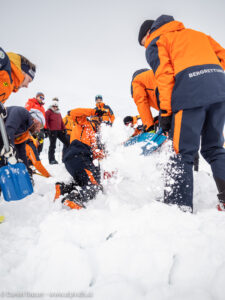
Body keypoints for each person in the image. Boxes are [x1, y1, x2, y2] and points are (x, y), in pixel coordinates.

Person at [138, 15, 225, 212]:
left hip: (190, 94)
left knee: (181, 151)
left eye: (143, 42)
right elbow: (223, 57)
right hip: (219, 92)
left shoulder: (157, 41)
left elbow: (164, 75)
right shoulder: (199, 35)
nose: (145, 46)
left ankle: (179, 206)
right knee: (214, 148)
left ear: (148, 34)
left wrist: (166, 112)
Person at [54, 108, 104, 210]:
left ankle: (63, 188)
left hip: (74, 160)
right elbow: (73, 112)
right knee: (94, 184)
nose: (99, 126)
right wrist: (93, 112)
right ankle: (74, 199)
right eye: (98, 122)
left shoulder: (93, 136)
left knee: (84, 182)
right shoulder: (84, 122)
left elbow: (95, 153)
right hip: (79, 156)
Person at [3, 107, 45, 181]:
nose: (39, 130)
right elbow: (9, 129)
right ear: (35, 119)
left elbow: (21, 151)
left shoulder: (25, 130)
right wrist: (11, 150)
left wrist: (26, 170)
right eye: (40, 126)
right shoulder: (21, 112)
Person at [45, 100, 69, 164]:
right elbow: (46, 121)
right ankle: (51, 160)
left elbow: (61, 121)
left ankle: (68, 157)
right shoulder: (48, 112)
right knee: (53, 145)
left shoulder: (58, 113)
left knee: (67, 142)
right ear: (51, 106)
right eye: (54, 106)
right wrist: (47, 129)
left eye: (56, 106)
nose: (55, 107)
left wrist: (64, 129)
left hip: (59, 130)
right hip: (52, 131)